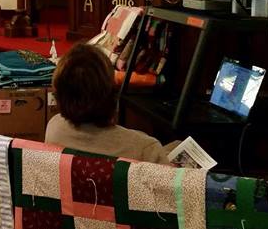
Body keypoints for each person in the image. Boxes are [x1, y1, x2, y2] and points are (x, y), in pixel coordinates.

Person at [44, 43, 179, 163]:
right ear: (112, 96)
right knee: (178, 146)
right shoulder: (144, 148)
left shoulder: (54, 127)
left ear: (59, 96)